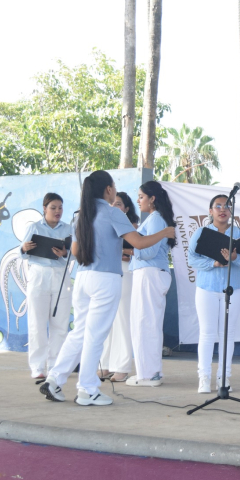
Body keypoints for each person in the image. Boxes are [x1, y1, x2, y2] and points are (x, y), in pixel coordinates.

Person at [39, 171, 175, 406]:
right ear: (109, 190)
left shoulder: (79, 216)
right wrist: (165, 232)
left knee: (79, 332)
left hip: (82, 278)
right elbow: (140, 243)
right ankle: (87, 389)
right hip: (106, 279)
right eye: (114, 186)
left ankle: (55, 379)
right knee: (95, 336)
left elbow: (74, 251)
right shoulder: (113, 213)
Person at [187, 194, 240, 394]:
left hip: (233, 289)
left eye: (226, 206)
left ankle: (224, 377)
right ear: (210, 210)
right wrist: (212, 263)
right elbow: (192, 259)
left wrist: (234, 257)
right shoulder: (202, 232)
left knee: (228, 334)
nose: (223, 209)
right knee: (207, 333)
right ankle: (203, 377)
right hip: (206, 288)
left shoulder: (239, 232)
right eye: (218, 206)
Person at [127, 181, 175, 387]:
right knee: (149, 323)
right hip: (151, 273)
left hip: (149, 273)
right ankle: (151, 371)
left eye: (141, 196)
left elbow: (148, 252)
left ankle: (147, 375)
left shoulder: (155, 220)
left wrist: (132, 243)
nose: (138, 200)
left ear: (152, 198)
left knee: (144, 323)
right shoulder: (155, 219)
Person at [20, 193, 72, 379]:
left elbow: (75, 255)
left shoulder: (68, 229)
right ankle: (38, 367)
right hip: (39, 274)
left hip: (60, 275)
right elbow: (23, 253)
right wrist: (24, 249)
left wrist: (65, 252)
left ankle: (56, 365)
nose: (57, 211)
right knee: (37, 323)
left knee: (60, 323)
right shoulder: (34, 227)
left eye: (60, 207)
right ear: (44, 208)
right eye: (53, 207)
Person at [98, 192, 139, 382]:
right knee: (108, 321)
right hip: (108, 273)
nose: (115, 207)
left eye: (119, 204)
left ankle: (122, 366)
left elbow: (136, 249)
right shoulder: (104, 225)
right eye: (112, 204)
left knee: (122, 319)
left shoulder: (132, 227)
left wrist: (121, 250)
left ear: (127, 209)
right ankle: (105, 365)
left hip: (126, 272)